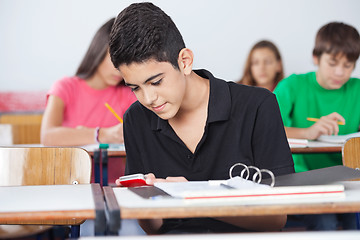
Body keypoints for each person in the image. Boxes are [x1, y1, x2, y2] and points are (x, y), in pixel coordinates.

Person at [110, 2, 294, 234]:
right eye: (134, 88)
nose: (148, 98)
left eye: (155, 82)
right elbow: (155, 228)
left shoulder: (257, 105)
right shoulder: (136, 119)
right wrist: (144, 201)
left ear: (184, 62)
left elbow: (277, 217)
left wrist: (196, 196)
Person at [274, 22, 360, 230]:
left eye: (348, 66)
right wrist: (307, 132)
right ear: (316, 57)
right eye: (332, 63)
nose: (340, 72)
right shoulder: (292, 86)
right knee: (326, 221)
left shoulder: (357, 89)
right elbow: (264, 131)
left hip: (350, 178)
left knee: (354, 219)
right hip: (303, 179)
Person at [41, 18, 136, 146]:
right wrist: (103, 134)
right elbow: (48, 137)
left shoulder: (129, 94)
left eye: (127, 62)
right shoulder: (65, 87)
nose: (120, 70)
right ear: (98, 51)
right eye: (115, 60)